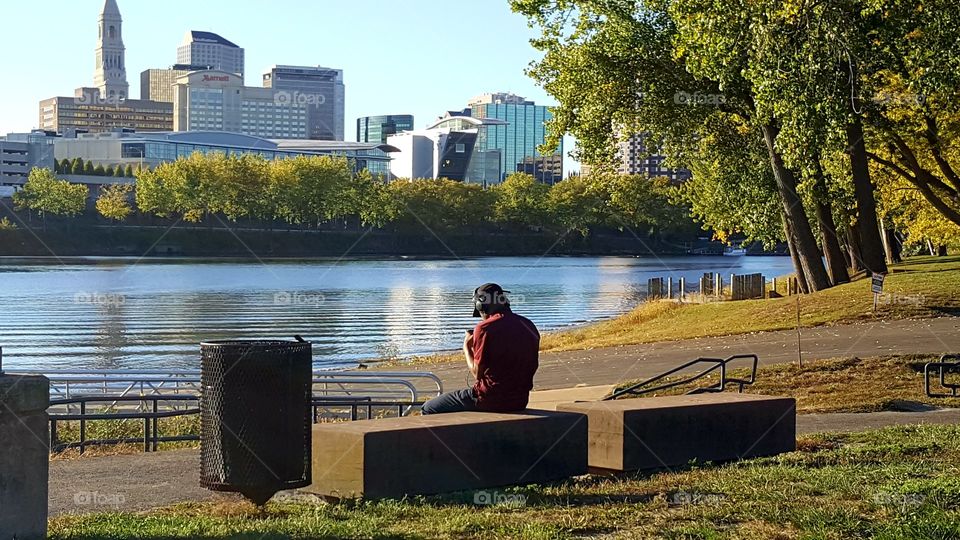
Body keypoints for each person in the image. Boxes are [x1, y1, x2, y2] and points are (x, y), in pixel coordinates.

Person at [421, 283, 540, 415]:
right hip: (520, 401)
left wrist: (467, 347)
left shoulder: (484, 328)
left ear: (481, 305)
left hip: (488, 399)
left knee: (428, 407)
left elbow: (477, 373)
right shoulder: (528, 325)